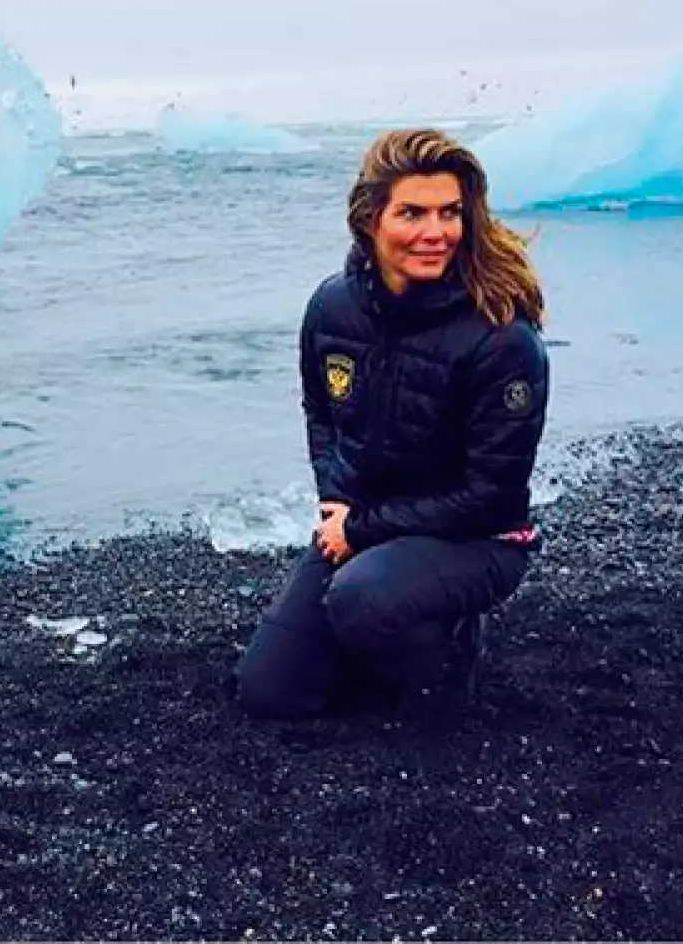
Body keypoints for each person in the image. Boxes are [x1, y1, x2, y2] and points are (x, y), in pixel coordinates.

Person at [234, 127, 549, 720]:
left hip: (476, 539)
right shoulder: (332, 307)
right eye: (412, 213)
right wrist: (336, 500)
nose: (436, 232)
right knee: (270, 692)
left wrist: (360, 531)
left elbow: (490, 496)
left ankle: (452, 641)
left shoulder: (502, 337)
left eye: (450, 213)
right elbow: (321, 411)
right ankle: (378, 626)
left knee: (364, 598)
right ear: (370, 219)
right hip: (370, 524)